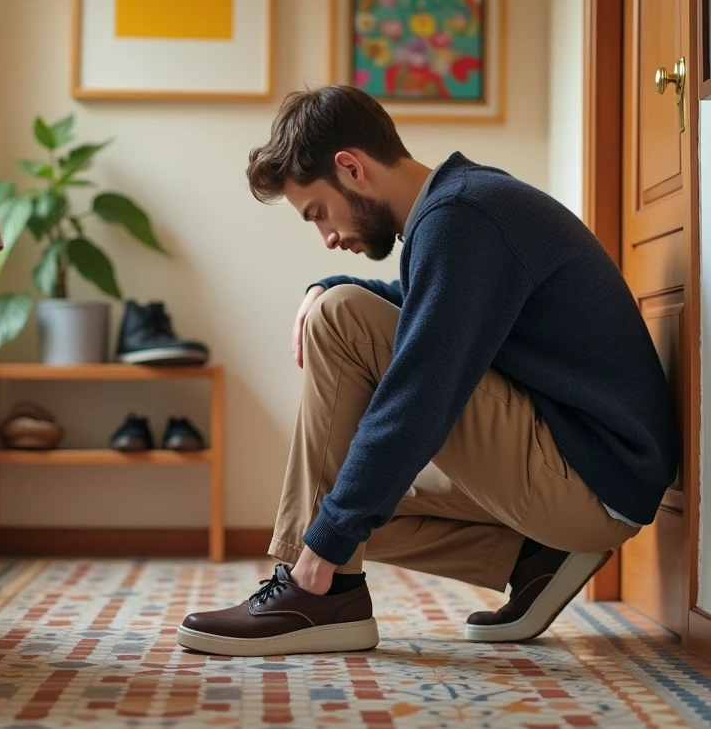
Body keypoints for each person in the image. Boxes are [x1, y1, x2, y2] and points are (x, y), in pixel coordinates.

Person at [175, 85, 678, 657]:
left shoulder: (462, 217)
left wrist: (325, 545)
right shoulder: (460, 205)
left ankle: (316, 591)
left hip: (590, 479)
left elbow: (419, 398)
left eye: (319, 213)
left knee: (340, 322)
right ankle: (532, 559)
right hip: (589, 477)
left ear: (351, 168)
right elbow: (423, 304)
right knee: (344, 495)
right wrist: (326, 283)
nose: (328, 238)